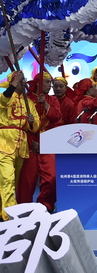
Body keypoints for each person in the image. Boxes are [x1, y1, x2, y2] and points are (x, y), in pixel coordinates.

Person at [16, 72, 61, 211]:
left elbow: (57, 117)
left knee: (51, 177)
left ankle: (45, 205)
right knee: (27, 181)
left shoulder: (52, 100)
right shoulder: (27, 99)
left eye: (50, 83)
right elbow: (21, 123)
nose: (50, 86)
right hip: (30, 144)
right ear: (38, 83)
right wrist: (32, 143)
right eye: (47, 82)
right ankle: (24, 209)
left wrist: (45, 104)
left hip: (48, 144)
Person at [0, 70, 40, 220]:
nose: (24, 83)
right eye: (20, 81)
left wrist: (32, 122)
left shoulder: (28, 102)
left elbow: (36, 126)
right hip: (4, 142)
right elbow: (3, 102)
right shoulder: (5, 97)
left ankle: (3, 211)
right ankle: (9, 215)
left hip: (21, 143)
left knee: (11, 181)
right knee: (7, 179)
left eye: (23, 81)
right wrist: (15, 82)